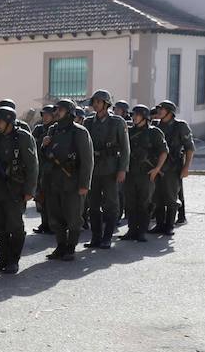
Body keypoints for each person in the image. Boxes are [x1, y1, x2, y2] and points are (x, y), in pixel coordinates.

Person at [0, 105, 38, 274]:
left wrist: (30, 190)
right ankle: (3, 259)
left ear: (8, 121)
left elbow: (32, 165)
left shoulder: (23, 137)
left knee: (14, 225)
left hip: (15, 188)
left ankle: (14, 260)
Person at [38, 99, 93, 262]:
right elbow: (45, 156)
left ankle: (70, 247)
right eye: (55, 109)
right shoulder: (53, 130)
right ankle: (61, 245)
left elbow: (87, 160)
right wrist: (44, 146)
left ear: (69, 112)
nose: (56, 112)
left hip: (72, 181)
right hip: (54, 181)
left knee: (74, 217)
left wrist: (84, 184)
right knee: (55, 217)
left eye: (59, 110)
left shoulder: (80, 132)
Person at [83, 90, 130, 250]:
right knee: (93, 205)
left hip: (111, 169)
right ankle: (96, 237)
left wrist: (122, 169)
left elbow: (125, 148)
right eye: (94, 102)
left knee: (111, 204)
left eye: (98, 101)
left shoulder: (117, 122)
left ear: (106, 103)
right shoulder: (88, 122)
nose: (95, 104)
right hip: (93, 170)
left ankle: (107, 237)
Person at [121, 105, 168, 242]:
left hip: (146, 174)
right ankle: (131, 230)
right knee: (130, 203)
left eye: (137, 115)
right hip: (130, 172)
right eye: (133, 114)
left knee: (144, 203)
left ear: (145, 117)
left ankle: (141, 231)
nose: (134, 117)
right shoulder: (128, 132)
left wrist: (157, 169)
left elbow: (163, 151)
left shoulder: (154, 132)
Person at [152, 101, 195, 236]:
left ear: (169, 112)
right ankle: (159, 224)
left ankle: (169, 225)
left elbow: (189, 148)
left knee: (171, 197)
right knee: (157, 196)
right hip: (157, 166)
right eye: (158, 108)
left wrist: (186, 167)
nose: (159, 111)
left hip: (173, 166)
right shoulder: (156, 127)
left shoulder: (180, 126)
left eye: (162, 109)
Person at [31, 104, 58, 235]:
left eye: (48, 114)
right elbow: (32, 144)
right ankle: (44, 223)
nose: (45, 117)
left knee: (52, 199)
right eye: (44, 114)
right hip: (40, 166)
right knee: (40, 197)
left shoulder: (56, 129)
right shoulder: (38, 129)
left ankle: (54, 224)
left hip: (52, 167)